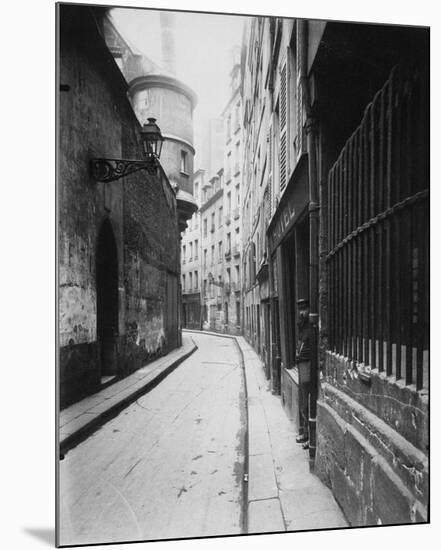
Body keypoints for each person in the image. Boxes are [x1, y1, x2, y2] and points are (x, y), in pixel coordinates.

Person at [295, 298, 312, 450]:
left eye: (304, 309)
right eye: (300, 309)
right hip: (301, 364)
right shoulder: (301, 324)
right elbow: (300, 342)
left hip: (307, 364)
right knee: (302, 402)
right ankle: (305, 433)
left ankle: (310, 438)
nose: (302, 312)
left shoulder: (311, 325)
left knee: (307, 403)